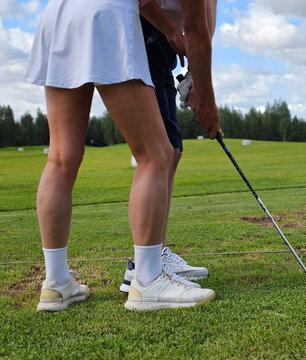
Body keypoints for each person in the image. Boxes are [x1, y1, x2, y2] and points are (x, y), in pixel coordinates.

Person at [25, 0, 219, 312]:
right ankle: (147, 280)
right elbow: (194, 28)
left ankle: (57, 283)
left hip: (58, 13)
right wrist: (206, 98)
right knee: (156, 154)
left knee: (60, 157)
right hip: (105, 14)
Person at [119, 0, 218, 292]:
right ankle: (141, 267)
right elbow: (190, 27)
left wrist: (196, 77)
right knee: (156, 154)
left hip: (162, 49)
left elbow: (203, 27)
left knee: (173, 151)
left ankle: (157, 253)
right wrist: (172, 31)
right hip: (145, 37)